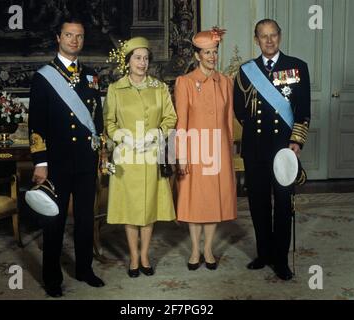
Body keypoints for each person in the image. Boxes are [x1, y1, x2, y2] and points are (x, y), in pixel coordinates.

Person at [28, 15, 104, 297]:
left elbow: (98, 121)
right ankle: (51, 278)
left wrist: (101, 154)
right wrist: (41, 163)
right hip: (57, 163)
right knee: (54, 221)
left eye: (79, 36)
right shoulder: (43, 77)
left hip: (85, 160)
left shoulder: (91, 76)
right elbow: (36, 124)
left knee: (85, 218)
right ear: (58, 38)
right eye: (69, 35)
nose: (75, 40)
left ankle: (85, 269)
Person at [233, 19, 311, 280]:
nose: (269, 41)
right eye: (263, 36)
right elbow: (239, 110)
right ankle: (263, 253)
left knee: (283, 205)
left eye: (273, 35)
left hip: (283, 149)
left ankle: (280, 259)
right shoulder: (246, 70)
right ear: (256, 40)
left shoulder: (297, 67)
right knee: (258, 203)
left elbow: (303, 110)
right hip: (254, 148)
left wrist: (296, 142)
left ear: (280, 36)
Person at [103, 37, 177, 278]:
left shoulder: (160, 88)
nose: (142, 63)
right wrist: (123, 137)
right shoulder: (115, 89)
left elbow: (170, 118)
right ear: (128, 61)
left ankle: (145, 254)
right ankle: (133, 256)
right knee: (131, 208)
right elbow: (109, 123)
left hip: (152, 156)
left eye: (146, 58)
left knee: (149, 208)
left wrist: (157, 133)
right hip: (126, 158)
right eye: (137, 58)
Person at [174, 28, 237, 271]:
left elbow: (229, 120)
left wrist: (228, 151)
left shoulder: (225, 82)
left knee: (212, 201)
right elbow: (181, 122)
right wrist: (180, 154)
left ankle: (208, 249)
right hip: (195, 148)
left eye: (214, 52)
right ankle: (194, 250)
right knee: (194, 200)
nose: (212, 57)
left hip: (218, 149)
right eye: (207, 53)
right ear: (197, 55)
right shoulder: (185, 82)